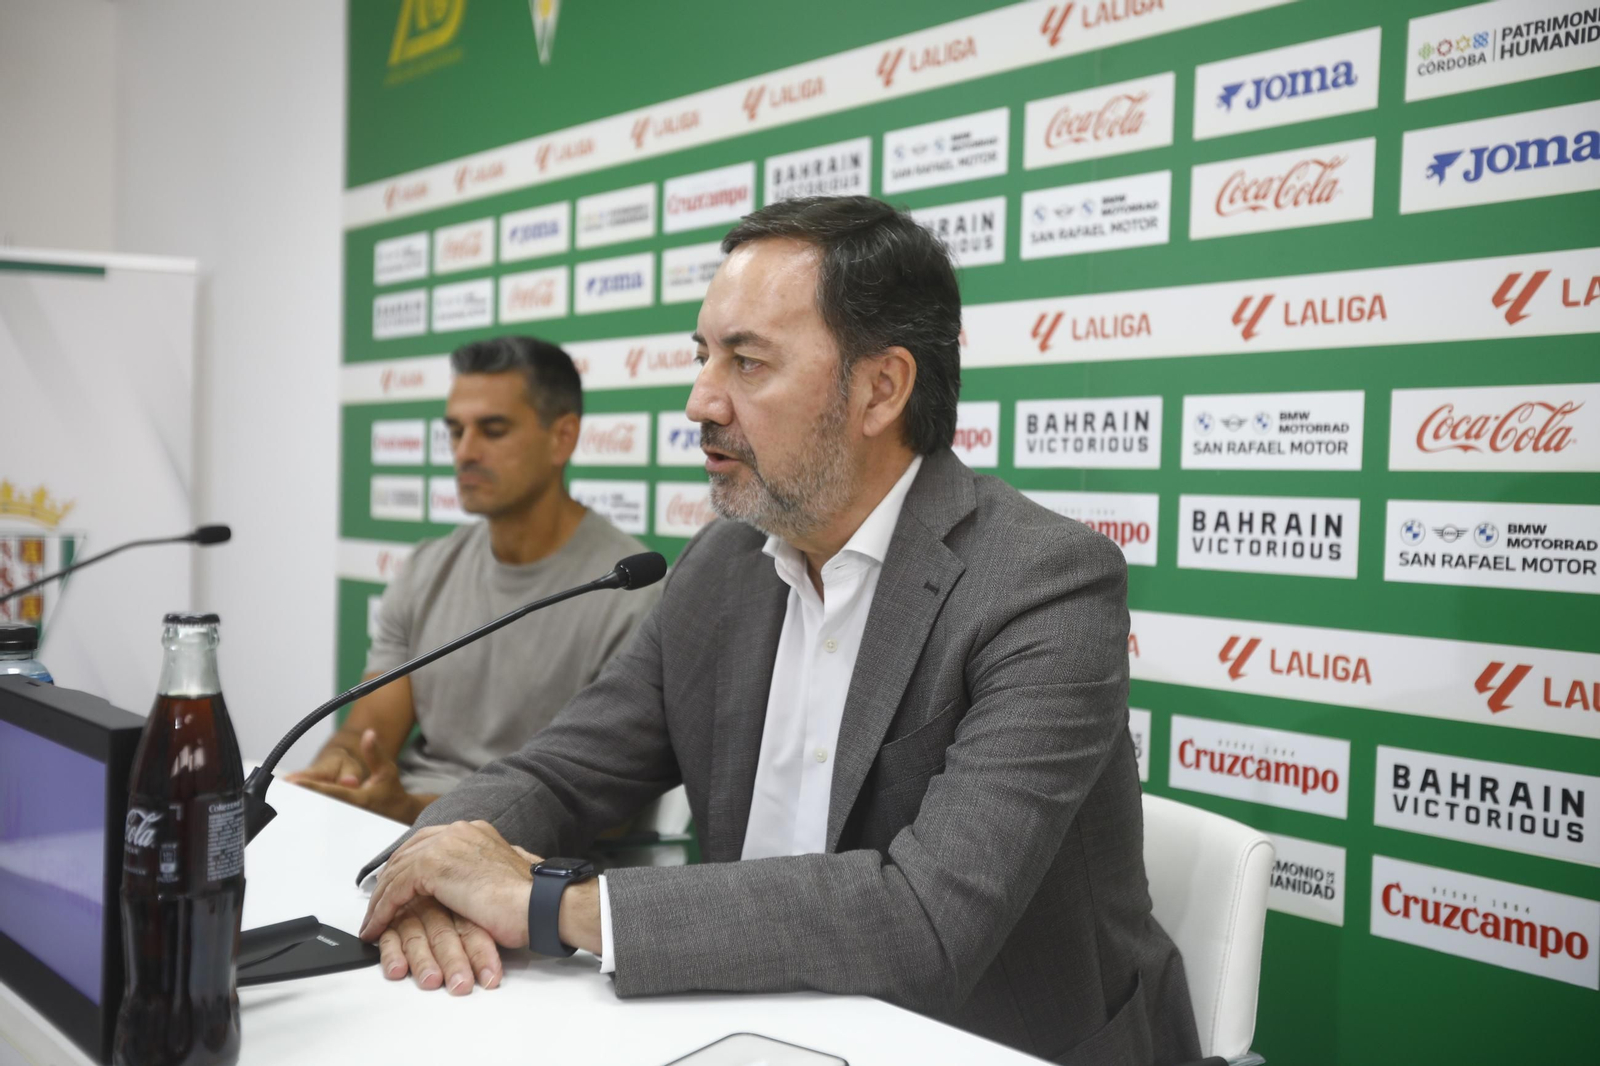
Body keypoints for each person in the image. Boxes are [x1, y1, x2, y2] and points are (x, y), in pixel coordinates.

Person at [355, 198, 1201, 1065]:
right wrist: (435, 863)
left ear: (881, 388)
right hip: (749, 1027)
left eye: (747, 362)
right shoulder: (722, 566)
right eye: (702, 355)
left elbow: (925, 924)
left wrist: (548, 905)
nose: (698, 399)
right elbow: (562, 773)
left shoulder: (1043, 583)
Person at [287, 336, 662, 824]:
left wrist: (411, 811)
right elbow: (367, 731)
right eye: (455, 431)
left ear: (562, 438)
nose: (464, 452)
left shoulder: (630, 591)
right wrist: (343, 766)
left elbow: (599, 805)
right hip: (394, 830)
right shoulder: (427, 568)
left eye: (493, 430)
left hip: (530, 857)